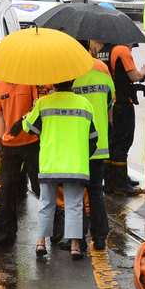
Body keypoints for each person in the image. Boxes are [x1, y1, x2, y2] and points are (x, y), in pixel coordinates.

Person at [21, 79, 98, 260]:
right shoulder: (84, 104)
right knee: (74, 206)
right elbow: (93, 137)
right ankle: (75, 247)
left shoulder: (43, 103)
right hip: (75, 165)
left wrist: (30, 112)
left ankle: (41, 243)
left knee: (46, 204)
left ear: (54, 84)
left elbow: (29, 129)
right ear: (72, 82)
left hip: (51, 163)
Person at [73, 43, 114, 251]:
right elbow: (109, 110)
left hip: (76, 146)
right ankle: (100, 238)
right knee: (96, 191)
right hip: (100, 145)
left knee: (76, 193)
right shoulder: (105, 79)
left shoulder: (69, 79)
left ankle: (78, 239)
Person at [0, 79, 42, 246]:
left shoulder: (30, 81)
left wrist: (23, 121)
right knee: (6, 189)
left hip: (31, 142)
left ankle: (55, 225)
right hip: (9, 145)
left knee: (39, 186)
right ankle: (6, 232)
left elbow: (38, 106)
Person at [101, 38, 145, 195]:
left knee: (111, 143)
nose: (132, 47)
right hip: (123, 102)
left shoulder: (103, 51)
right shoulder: (122, 51)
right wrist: (144, 71)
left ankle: (110, 182)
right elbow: (134, 76)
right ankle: (121, 185)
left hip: (108, 102)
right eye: (132, 44)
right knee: (123, 143)